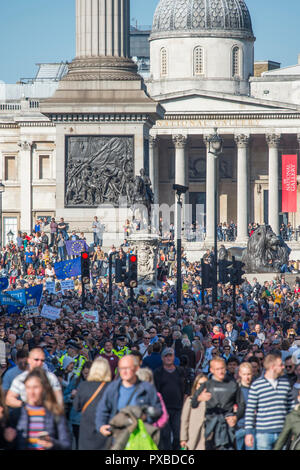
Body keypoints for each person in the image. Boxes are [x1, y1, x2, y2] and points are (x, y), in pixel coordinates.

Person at [96, 355, 162, 447]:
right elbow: (102, 409)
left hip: (139, 437)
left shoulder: (147, 388)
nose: (124, 371)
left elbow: (158, 409)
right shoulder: (113, 388)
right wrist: (101, 426)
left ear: (136, 369)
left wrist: (146, 416)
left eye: (128, 368)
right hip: (117, 437)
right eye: (121, 368)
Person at [8, 368, 71, 450]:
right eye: (28, 387)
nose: (32, 392)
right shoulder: (16, 415)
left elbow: (66, 444)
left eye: (36, 387)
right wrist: (8, 439)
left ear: (44, 389)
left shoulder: (55, 414)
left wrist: (52, 443)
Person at [191, 357, 245, 450]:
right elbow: (193, 403)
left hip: (227, 426)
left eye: (222, 368)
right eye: (217, 369)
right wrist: (199, 398)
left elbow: (242, 405)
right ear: (211, 370)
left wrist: (236, 417)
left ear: (226, 368)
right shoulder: (207, 385)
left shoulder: (232, 384)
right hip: (210, 427)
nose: (220, 371)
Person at [244, 353, 295, 450]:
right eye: (280, 365)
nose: (283, 367)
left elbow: (290, 408)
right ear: (272, 367)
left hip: (283, 433)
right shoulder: (257, 385)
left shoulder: (285, 384)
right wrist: (249, 432)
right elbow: (250, 411)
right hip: (264, 433)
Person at [73, 357, 111, 450]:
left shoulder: (84, 385)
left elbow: (76, 407)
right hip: (104, 427)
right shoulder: (111, 387)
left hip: (86, 429)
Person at [154, 348, 188, 450]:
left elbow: (185, 389)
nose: (168, 358)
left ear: (174, 357)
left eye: (170, 355)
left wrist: (184, 405)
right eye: (166, 356)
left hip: (178, 408)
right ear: (162, 358)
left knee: (178, 435)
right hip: (163, 409)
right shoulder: (158, 372)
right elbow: (155, 391)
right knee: (165, 435)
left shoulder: (180, 371)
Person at [180, 373, 208, 450]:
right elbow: (184, 420)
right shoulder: (190, 400)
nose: (202, 387)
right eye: (200, 384)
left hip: (207, 436)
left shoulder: (212, 400)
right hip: (193, 436)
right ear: (196, 385)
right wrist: (183, 438)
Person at [235, 362, 256, 450]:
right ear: (240, 374)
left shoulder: (256, 390)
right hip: (238, 427)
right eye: (244, 374)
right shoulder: (235, 390)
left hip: (252, 429)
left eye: (249, 374)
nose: (247, 377)